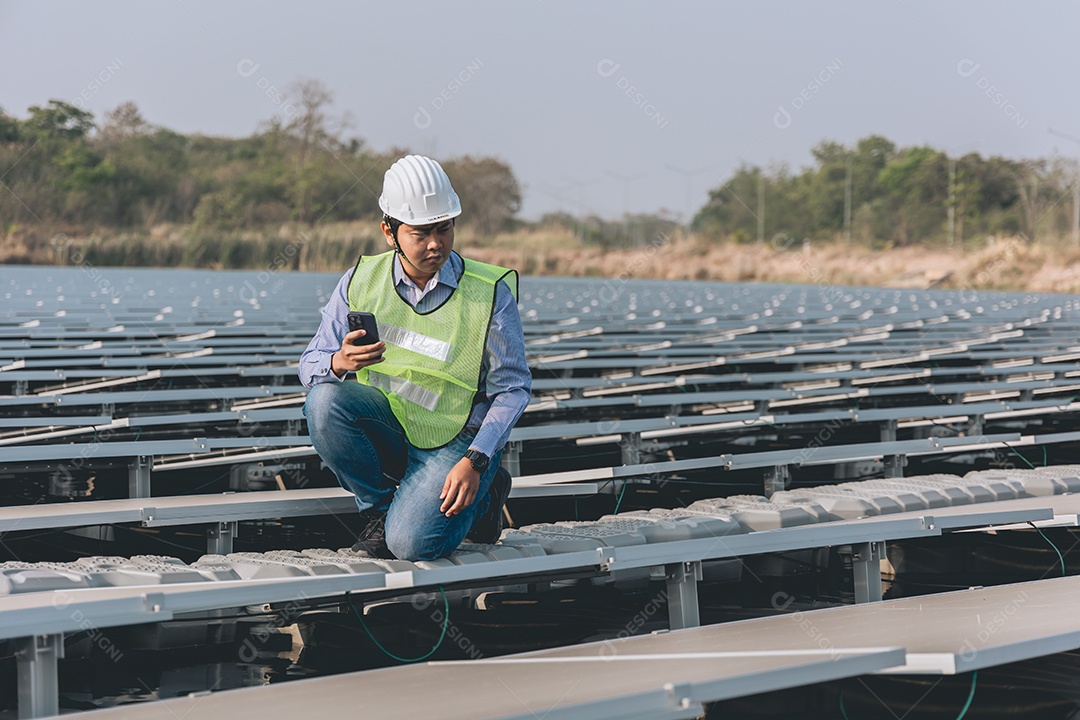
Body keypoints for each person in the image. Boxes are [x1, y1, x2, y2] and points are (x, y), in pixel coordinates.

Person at [298, 155, 530, 562]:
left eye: (444, 229)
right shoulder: (360, 280)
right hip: (392, 426)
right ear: (389, 231)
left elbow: (512, 390)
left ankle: (486, 490)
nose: (436, 244)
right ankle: (379, 511)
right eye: (421, 233)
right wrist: (338, 362)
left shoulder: (488, 292)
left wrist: (476, 460)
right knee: (323, 402)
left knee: (410, 545)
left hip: (455, 438)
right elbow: (309, 363)